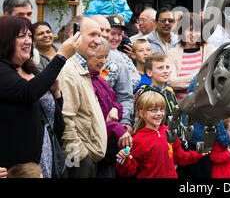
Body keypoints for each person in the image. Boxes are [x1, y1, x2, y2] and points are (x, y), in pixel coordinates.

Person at [0, 16, 78, 173]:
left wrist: (57, 95)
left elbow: (55, 123)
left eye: (29, 35)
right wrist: (61, 56)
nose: (28, 41)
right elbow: (27, 92)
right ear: (5, 40)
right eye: (21, 36)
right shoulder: (2, 71)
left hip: (46, 160)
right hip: (15, 167)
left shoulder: (33, 71)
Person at [58, 17, 107, 178]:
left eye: (99, 35)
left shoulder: (79, 66)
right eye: (92, 35)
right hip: (79, 161)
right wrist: (79, 157)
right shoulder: (67, 69)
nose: (98, 41)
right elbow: (65, 119)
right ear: (74, 35)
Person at [116, 91, 206, 178]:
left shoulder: (169, 131)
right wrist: (122, 159)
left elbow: (180, 157)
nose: (159, 113)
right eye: (154, 110)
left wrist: (199, 153)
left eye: (161, 109)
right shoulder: (137, 139)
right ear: (141, 113)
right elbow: (128, 171)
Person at [87, 37, 133, 178]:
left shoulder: (100, 79)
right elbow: (91, 122)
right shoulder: (86, 82)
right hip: (95, 148)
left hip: (108, 144)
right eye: (99, 57)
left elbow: (115, 101)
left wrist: (115, 109)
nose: (103, 61)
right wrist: (117, 128)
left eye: (106, 57)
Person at [167, 12, 215, 100]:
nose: (193, 34)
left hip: (202, 105)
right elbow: (171, 82)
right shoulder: (172, 53)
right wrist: (197, 77)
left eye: (197, 30)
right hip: (180, 106)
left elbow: (209, 78)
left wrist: (182, 81)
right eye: (189, 29)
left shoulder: (209, 49)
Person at [134, 53, 178, 127]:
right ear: (149, 72)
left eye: (167, 67)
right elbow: (139, 122)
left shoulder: (170, 92)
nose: (165, 71)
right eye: (160, 68)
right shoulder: (145, 94)